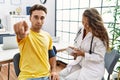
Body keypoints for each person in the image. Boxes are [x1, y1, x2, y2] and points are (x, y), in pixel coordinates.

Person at [59, 8, 109, 80]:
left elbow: (99, 58)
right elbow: (77, 44)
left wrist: (83, 54)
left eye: (88, 24)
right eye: (83, 22)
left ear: (95, 23)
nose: (85, 26)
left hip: (92, 68)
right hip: (80, 62)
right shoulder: (80, 29)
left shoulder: (100, 35)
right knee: (61, 75)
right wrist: (75, 51)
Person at [14, 4, 59, 80]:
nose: (39, 21)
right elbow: (21, 36)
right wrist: (20, 32)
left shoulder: (47, 35)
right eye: (36, 17)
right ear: (30, 18)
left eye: (42, 18)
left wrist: (54, 70)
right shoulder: (25, 34)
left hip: (46, 76)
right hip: (28, 77)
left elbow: (52, 55)